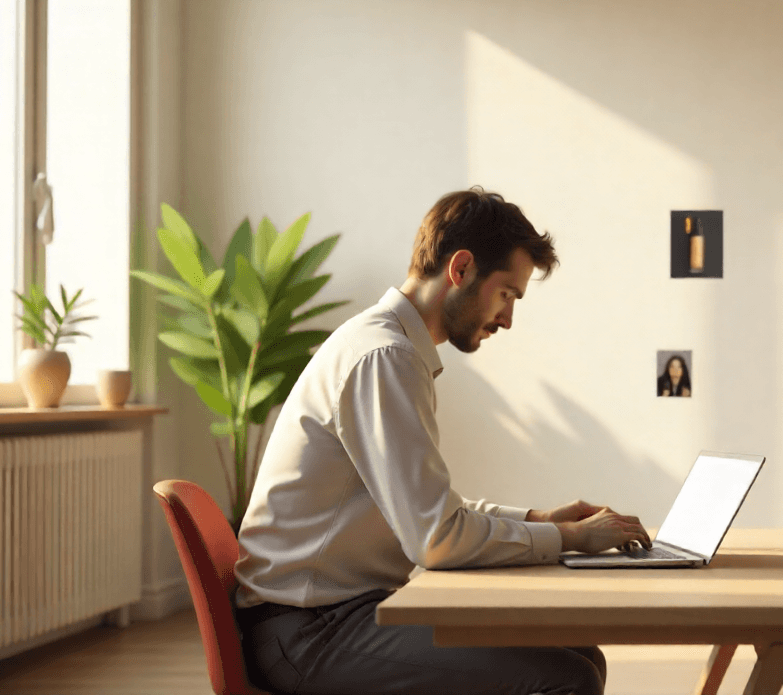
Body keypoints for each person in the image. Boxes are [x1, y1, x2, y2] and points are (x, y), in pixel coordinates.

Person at [233, 188, 651, 695]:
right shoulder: (383, 358)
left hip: (333, 614)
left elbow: (427, 512)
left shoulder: (389, 348)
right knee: (565, 679)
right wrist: (570, 539)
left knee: (578, 657)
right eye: (507, 294)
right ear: (462, 268)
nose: (508, 318)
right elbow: (436, 539)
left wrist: (541, 521)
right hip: (309, 633)